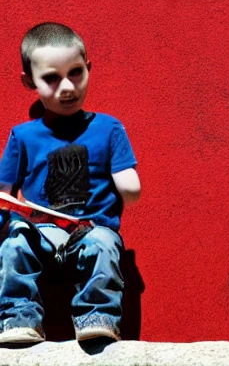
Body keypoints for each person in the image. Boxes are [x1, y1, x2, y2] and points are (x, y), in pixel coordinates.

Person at [0, 22, 141, 345]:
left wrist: (128, 184)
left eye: (75, 72)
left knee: (105, 245)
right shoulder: (23, 136)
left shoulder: (108, 128)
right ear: (29, 82)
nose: (67, 87)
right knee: (14, 243)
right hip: (43, 233)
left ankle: (98, 316)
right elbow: (4, 195)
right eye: (51, 78)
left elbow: (126, 178)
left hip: (91, 229)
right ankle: (18, 317)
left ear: (88, 68)